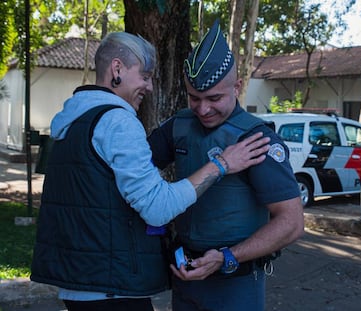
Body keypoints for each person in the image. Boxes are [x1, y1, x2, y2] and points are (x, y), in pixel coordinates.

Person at [30, 32, 271, 311]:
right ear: (117, 69)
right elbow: (157, 207)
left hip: (78, 283)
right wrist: (221, 164)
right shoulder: (117, 121)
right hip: (111, 286)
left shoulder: (72, 120)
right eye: (145, 76)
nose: (150, 87)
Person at [148, 20, 304, 311]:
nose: (203, 109)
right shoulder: (179, 125)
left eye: (214, 98)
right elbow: (137, 167)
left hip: (234, 282)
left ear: (238, 86)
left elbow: (291, 223)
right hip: (185, 273)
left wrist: (227, 257)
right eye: (194, 98)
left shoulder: (257, 139)